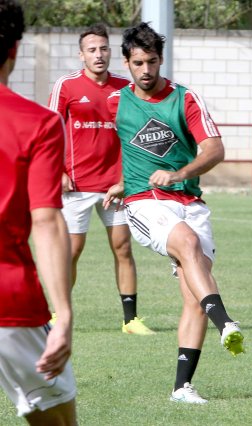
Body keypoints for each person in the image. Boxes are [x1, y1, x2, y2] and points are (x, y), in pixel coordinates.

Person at [104, 22, 245, 404]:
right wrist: (121, 182)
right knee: (187, 243)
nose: (146, 70)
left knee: (193, 294)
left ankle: (182, 387)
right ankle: (226, 321)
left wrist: (180, 173)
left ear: (161, 60)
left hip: (190, 201)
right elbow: (117, 150)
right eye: (138, 63)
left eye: (152, 62)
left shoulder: (184, 99)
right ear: (127, 62)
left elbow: (214, 150)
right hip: (143, 202)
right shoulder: (116, 102)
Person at [48, 23, 154, 335]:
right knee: (71, 250)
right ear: (81, 55)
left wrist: (129, 175)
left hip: (116, 184)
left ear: (112, 52)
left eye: (104, 48)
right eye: (92, 50)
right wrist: (59, 171)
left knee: (123, 248)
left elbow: (137, 132)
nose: (99, 54)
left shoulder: (125, 88)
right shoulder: (65, 86)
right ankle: (59, 313)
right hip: (76, 185)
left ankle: (131, 320)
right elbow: (50, 130)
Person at [0, 0, 78, 423]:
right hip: (9, 301)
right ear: (15, 49)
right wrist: (62, 315)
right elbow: (45, 221)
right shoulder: (38, 123)